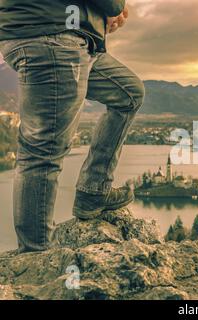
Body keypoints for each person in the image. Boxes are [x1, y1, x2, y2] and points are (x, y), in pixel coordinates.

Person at [0, 0, 144, 253]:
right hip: (51, 35)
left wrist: (98, 16)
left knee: (129, 93)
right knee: (43, 151)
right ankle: (36, 253)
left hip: (70, 37)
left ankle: (94, 191)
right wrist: (115, 6)